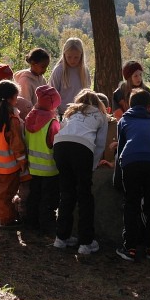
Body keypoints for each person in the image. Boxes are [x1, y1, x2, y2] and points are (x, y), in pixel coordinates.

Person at [52, 89, 109, 255]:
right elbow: (100, 144)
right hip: (82, 149)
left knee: (66, 192)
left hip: (60, 147)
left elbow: (62, 130)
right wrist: (93, 165)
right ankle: (86, 242)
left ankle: (61, 237)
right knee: (84, 196)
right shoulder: (100, 115)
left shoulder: (70, 113)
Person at [114, 89, 150, 261]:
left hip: (131, 161)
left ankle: (130, 247)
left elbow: (120, 149)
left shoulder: (124, 121)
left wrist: (118, 172)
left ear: (129, 105)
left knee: (131, 204)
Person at [0, 80, 27, 229]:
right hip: (9, 165)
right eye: (16, 96)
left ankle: (5, 217)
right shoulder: (11, 119)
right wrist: (22, 161)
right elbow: (16, 144)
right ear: (11, 98)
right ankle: (6, 220)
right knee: (6, 195)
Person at [23, 84, 62, 233]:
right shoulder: (52, 123)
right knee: (48, 200)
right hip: (50, 169)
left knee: (34, 197)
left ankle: (31, 223)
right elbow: (55, 143)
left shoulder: (29, 118)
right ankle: (46, 227)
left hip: (32, 167)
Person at [49, 38, 91, 117]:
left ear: (81, 55)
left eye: (76, 57)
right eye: (69, 57)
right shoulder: (59, 70)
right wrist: (55, 114)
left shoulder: (84, 71)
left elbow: (88, 93)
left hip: (81, 114)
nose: (72, 60)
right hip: (62, 114)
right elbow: (52, 94)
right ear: (64, 54)